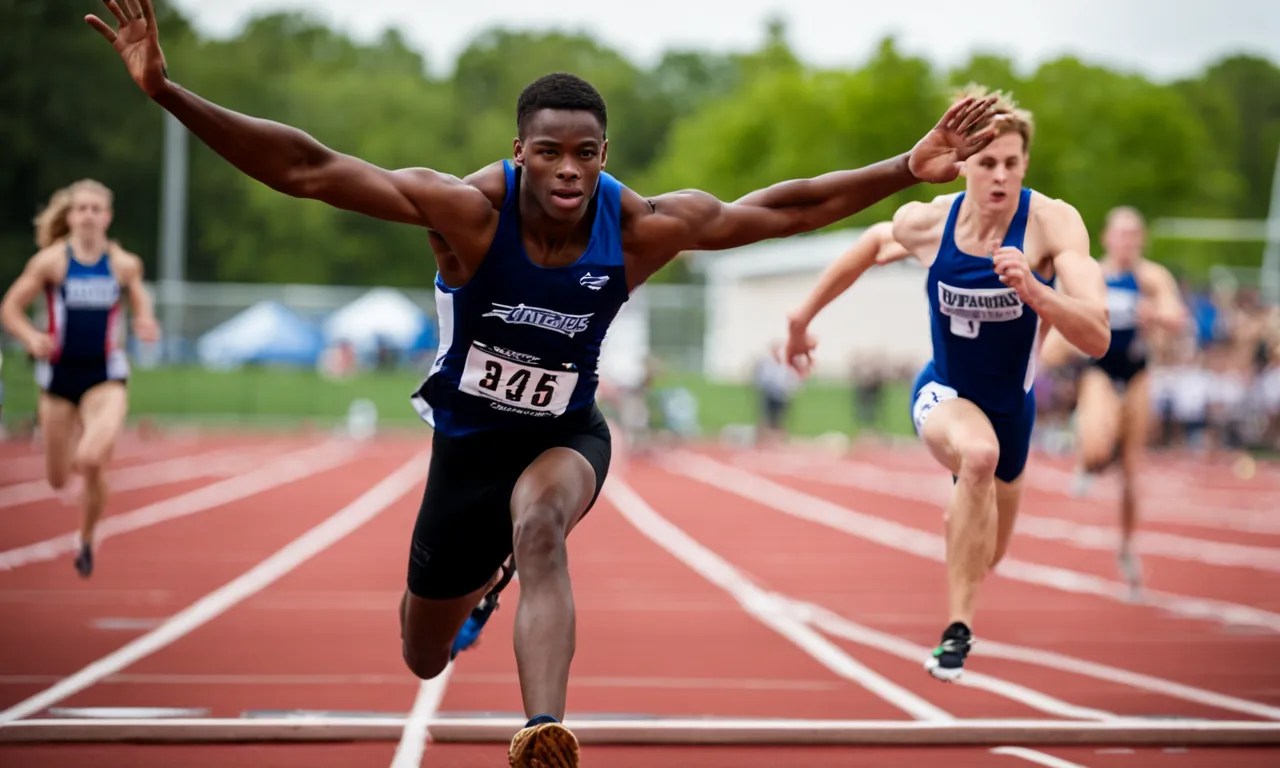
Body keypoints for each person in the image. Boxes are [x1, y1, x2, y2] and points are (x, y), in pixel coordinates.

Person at [85, 2, 1000, 762]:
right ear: (520, 150)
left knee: (540, 525)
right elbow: (309, 168)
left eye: (588, 154)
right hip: (465, 449)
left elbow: (777, 209)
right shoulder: (467, 216)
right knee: (421, 655)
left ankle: (542, 731)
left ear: (604, 154)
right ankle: (480, 587)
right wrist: (166, 92)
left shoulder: (637, 228)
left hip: (566, 436)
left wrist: (902, 170)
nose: (571, 171)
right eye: (552, 153)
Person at [784, 88, 1109, 682]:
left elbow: (1096, 336)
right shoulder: (929, 223)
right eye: (986, 163)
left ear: (1025, 165)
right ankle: (957, 632)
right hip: (944, 395)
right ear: (963, 166)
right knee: (977, 455)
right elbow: (868, 245)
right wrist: (801, 320)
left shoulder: (1052, 223)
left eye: (1011, 163)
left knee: (988, 554)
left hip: (1015, 409)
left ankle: (965, 514)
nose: (1000, 176)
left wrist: (1036, 290)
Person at [0, 179, 160, 577]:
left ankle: (86, 538)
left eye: (96, 209)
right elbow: (10, 307)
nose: (88, 215)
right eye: (81, 208)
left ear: (107, 216)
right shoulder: (51, 263)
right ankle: (80, 482)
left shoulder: (123, 264)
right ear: (70, 216)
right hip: (58, 379)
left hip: (106, 376)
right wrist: (29, 335)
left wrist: (143, 318)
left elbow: (139, 295)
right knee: (57, 478)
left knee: (90, 459)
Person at [1041, 207, 1187, 597]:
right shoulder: (1093, 275)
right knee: (1096, 452)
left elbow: (1177, 317)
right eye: (1121, 235)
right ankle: (1087, 457)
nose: (1127, 243)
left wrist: (1152, 315)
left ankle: (1125, 547)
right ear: (1107, 238)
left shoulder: (1151, 277)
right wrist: (1069, 344)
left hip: (1138, 373)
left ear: (1141, 240)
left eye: (1134, 235)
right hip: (1099, 372)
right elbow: (1055, 342)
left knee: (1132, 474)